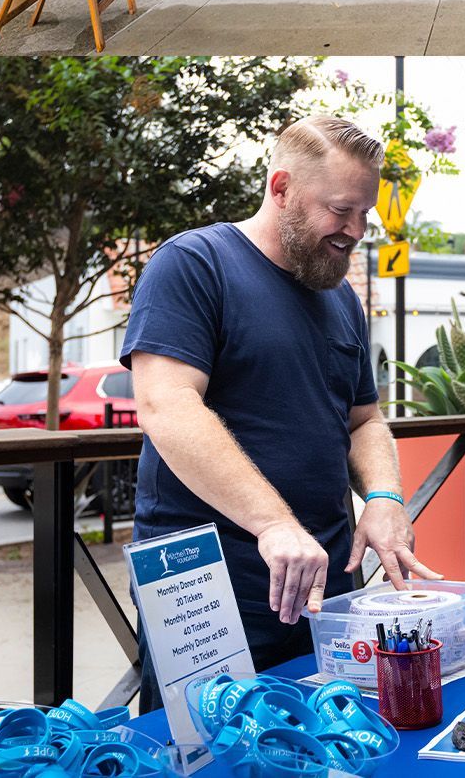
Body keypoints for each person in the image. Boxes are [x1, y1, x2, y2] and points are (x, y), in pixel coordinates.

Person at [124, 116, 443, 707]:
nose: (356, 231)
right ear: (281, 188)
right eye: (341, 211)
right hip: (211, 587)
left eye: (365, 214)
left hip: (327, 591)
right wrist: (273, 524)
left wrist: (385, 498)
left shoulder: (341, 296)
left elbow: (364, 420)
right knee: (213, 759)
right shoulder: (195, 264)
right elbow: (165, 405)